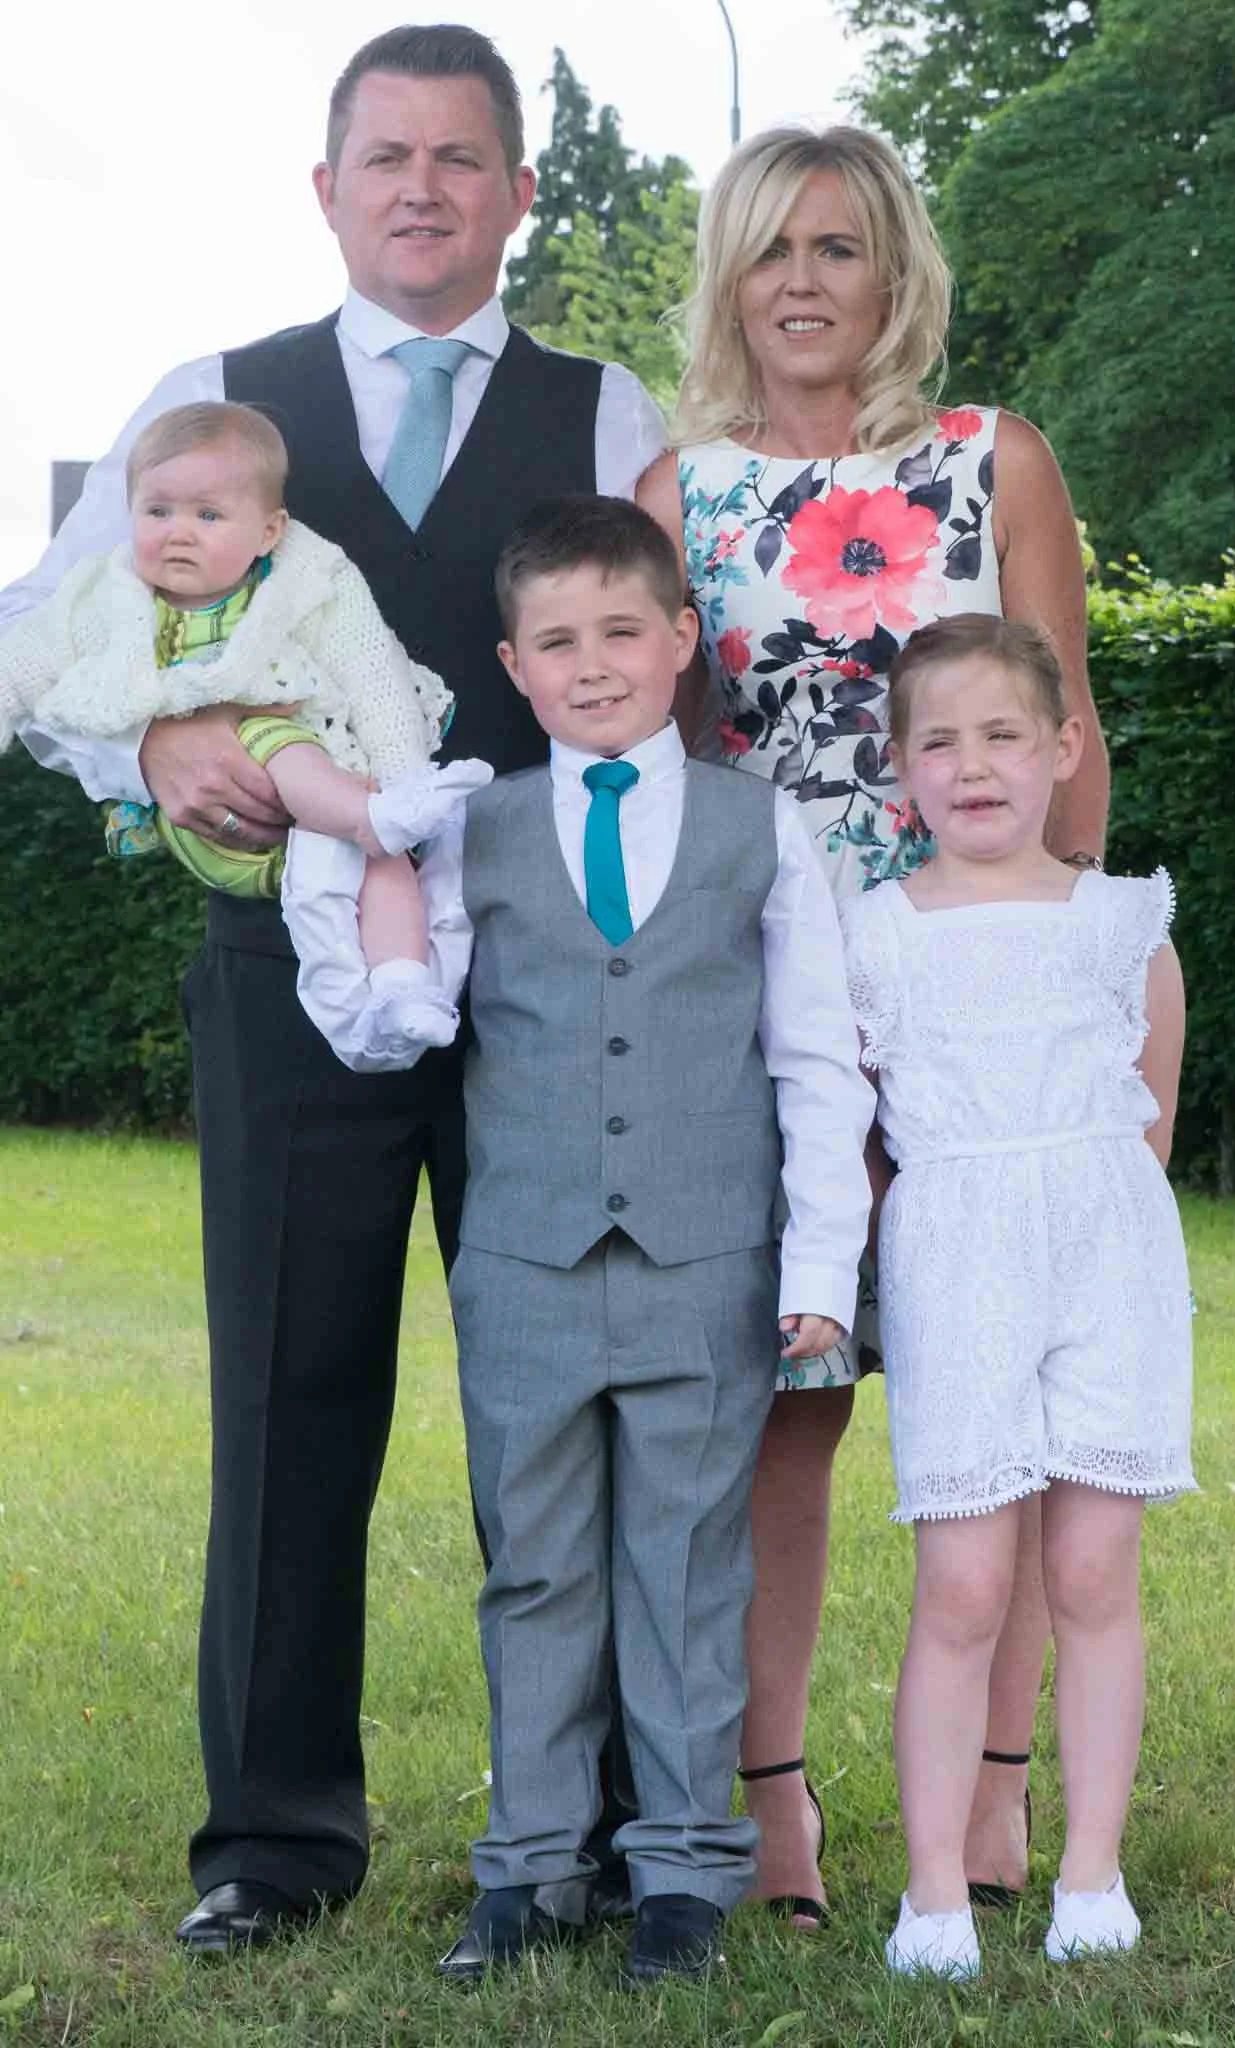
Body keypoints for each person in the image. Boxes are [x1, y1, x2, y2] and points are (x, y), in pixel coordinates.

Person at [1, 25, 667, 1952]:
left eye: (460, 158)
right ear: (325, 186)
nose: (420, 190)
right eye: (386, 156)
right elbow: (40, 636)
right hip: (283, 973)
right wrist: (146, 748)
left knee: (560, 1401)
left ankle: (581, 1825)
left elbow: (666, 673)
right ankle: (274, 1838)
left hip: (551, 973)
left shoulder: (608, 409)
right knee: (289, 1391)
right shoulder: (214, 401)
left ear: (518, 190)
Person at [637, 122, 1109, 1925]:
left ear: (893, 270)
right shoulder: (683, 494)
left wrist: (1060, 965)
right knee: (793, 1402)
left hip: (980, 984)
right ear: (729, 279)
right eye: (769, 249)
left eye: (835, 246)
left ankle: (995, 1791)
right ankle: (773, 1798)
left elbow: (1071, 737)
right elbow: (657, 769)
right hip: (768, 1003)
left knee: (1002, 1394)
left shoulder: (997, 460)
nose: (801, 281)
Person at [418, 495, 873, 1986]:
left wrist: (819, 1269)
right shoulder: (472, 829)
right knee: (534, 1567)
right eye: (557, 641)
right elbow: (403, 1006)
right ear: (515, 665)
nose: (593, 663)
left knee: (686, 1566)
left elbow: (815, 1059)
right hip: (525, 1267)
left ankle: (681, 1871)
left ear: (683, 640)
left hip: (705, 1264)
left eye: (622, 630)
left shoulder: (760, 827)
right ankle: (530, 1867)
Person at [841, 613, 1192, 1979]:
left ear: (1063, 746)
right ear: (900, 768)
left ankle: (1091, 1873)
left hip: (1107, 1259)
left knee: (1094, 1566)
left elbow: (1148, 1122)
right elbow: (857, 1135)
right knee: (965, 1579)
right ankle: (935, 1892)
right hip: (957, 1260)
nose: (973, 764)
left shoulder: (1124, 924)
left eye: (1003, 734)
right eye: (940, 741)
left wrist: (1093, 1234)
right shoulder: (874, 938)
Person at [0, 399, 490, 1071]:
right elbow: (19, 664)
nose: (178, 533)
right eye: (157, 511)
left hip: (310, 823)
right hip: (208, 821)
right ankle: (370, 815)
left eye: (207, 516)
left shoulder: (304, 585)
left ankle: (398, 990)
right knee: (276, 739)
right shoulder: (101, 601)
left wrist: (404, 776)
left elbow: (374, 675)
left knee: (376, 870)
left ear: (268, 532)